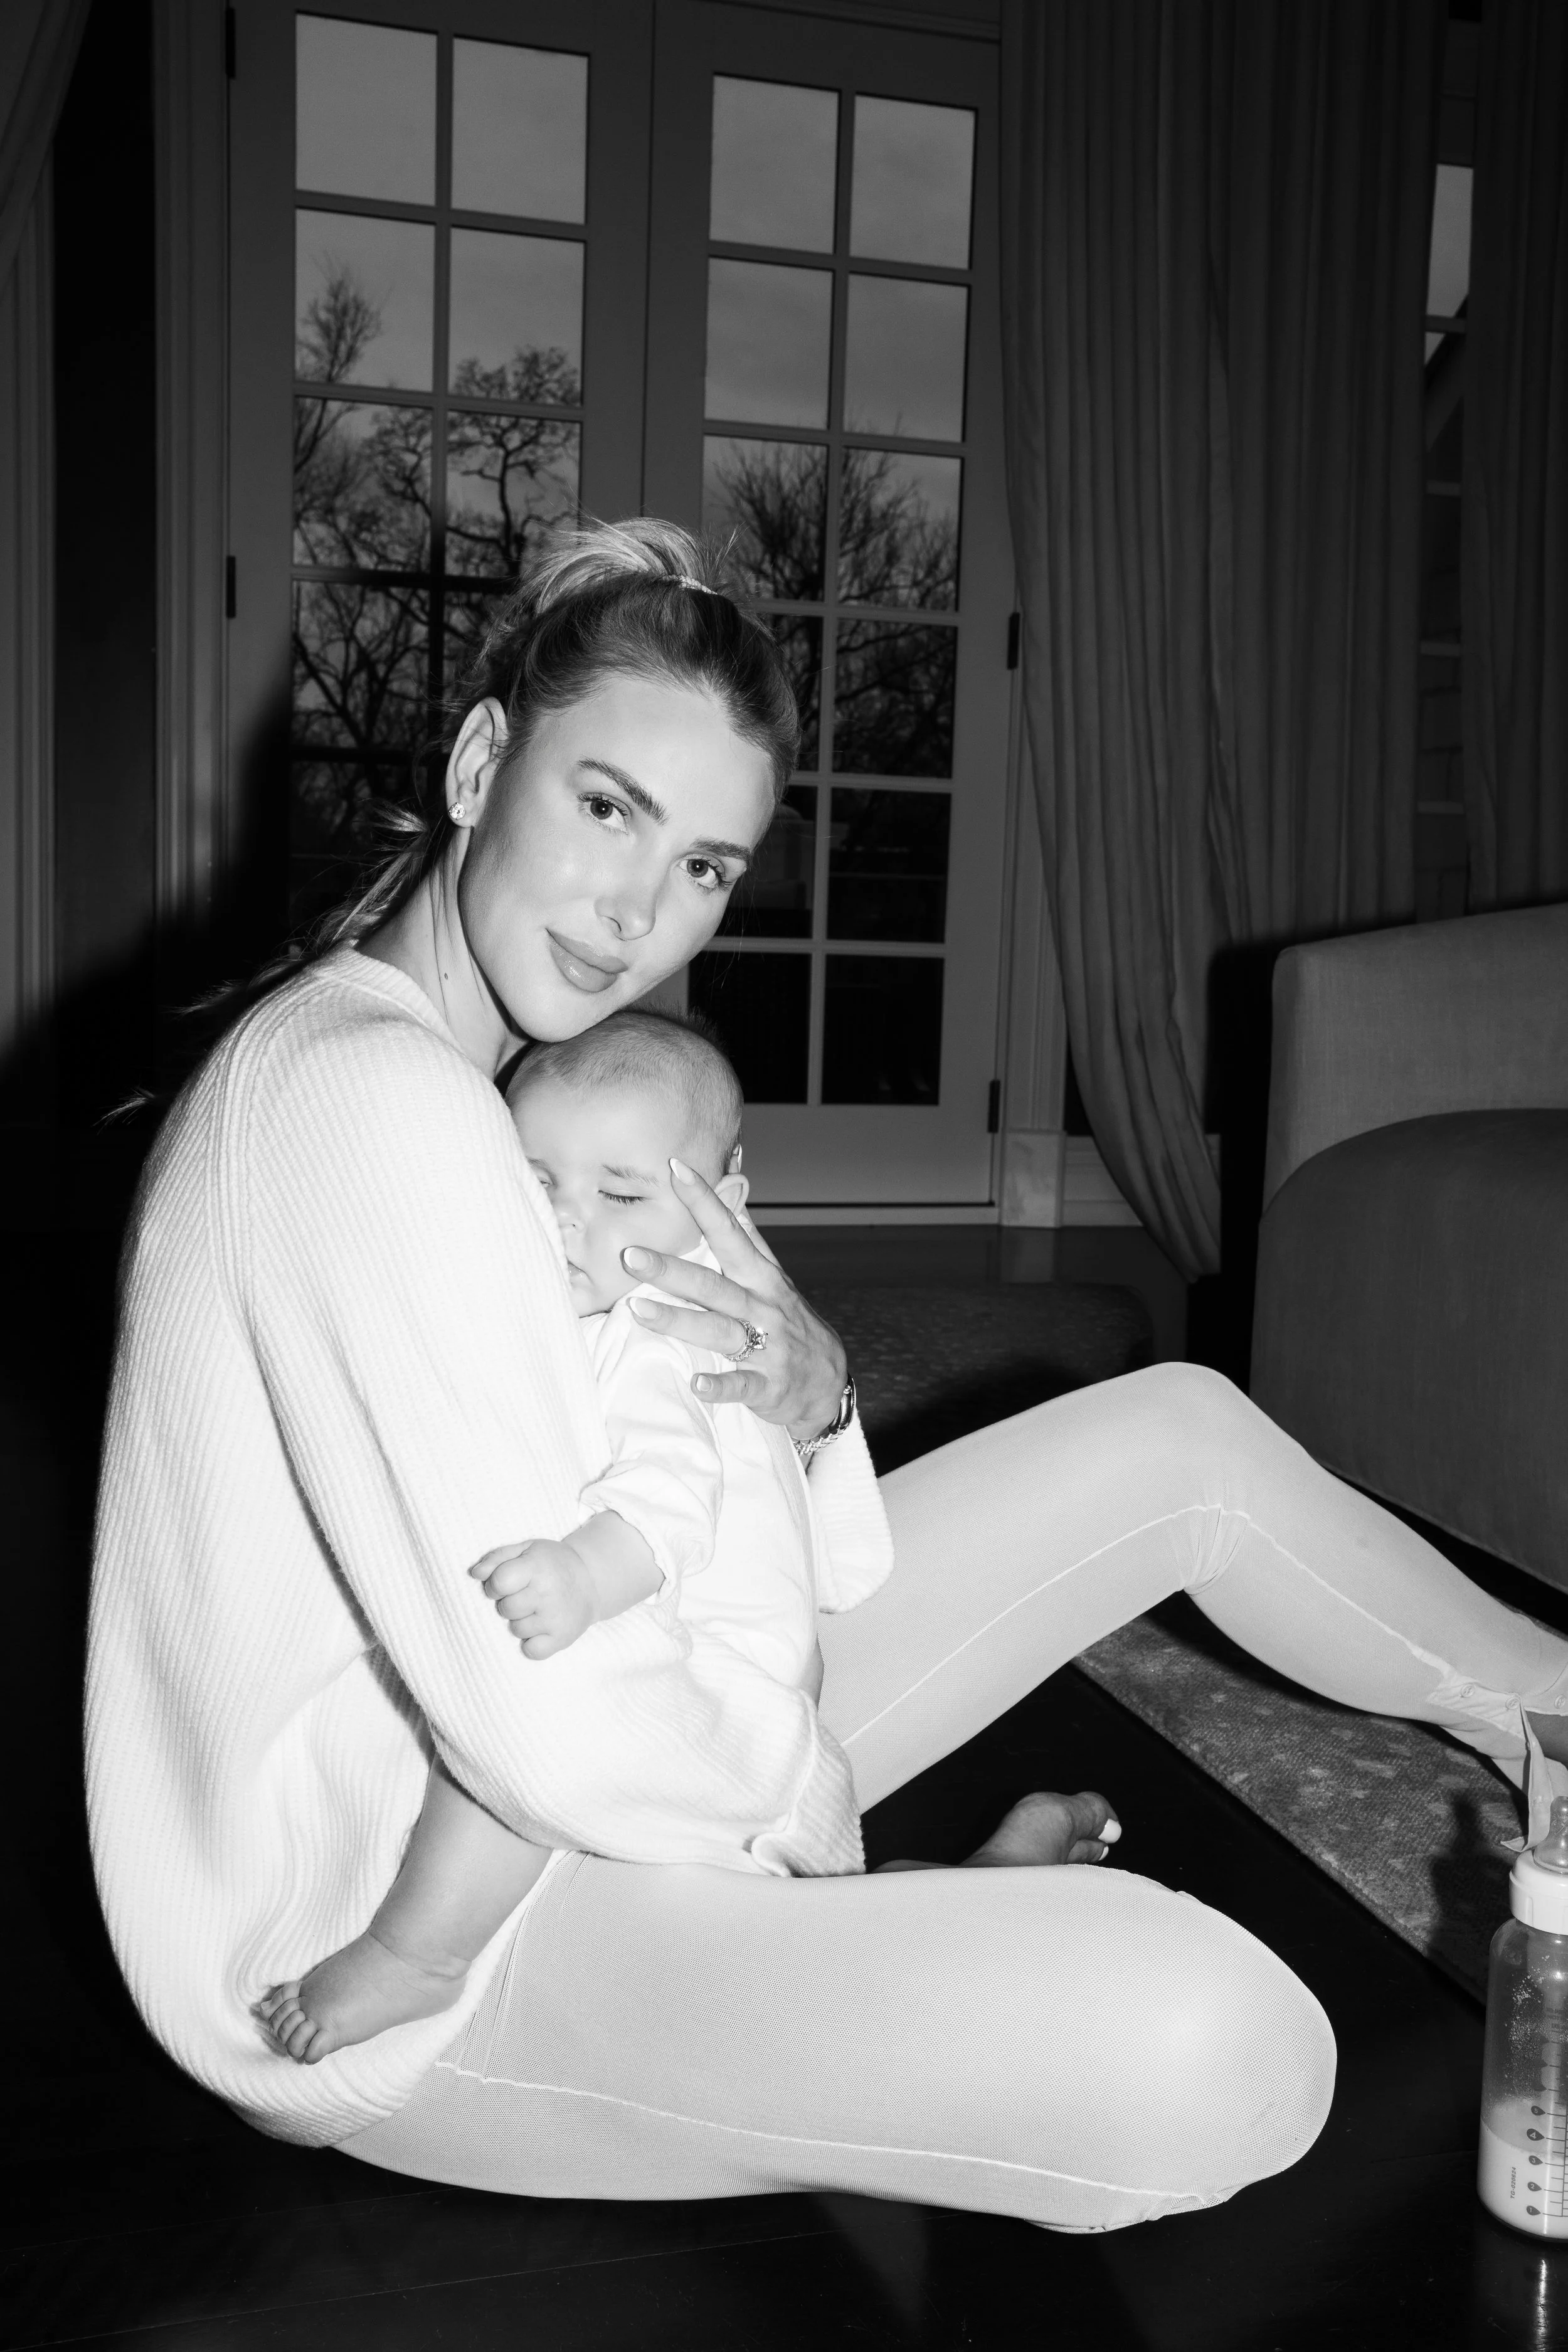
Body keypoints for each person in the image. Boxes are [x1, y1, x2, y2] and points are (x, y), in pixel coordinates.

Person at [88, 519, 1568, 2232]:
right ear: (484, 758)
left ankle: (1552, 1709)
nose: (642, 912)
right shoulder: (373, 1102)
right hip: (409, 1946)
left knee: (1180, 1431)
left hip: (616, 1751)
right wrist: (807, 1789)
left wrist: (816, 1405)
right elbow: (544, 1723)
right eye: (606, 807)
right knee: (1218, 2045)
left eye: (709, 864)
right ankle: (890, 1916)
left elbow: (805, 1556)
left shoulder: (541, 1099)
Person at [260, 1010, 1090, 2064]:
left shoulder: (657, 1333)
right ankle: (1014, 1868)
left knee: (512, 1719)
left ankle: (420, 1950)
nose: (567, 1221)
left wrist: (582, 1569)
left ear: (717, 1206)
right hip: (723, 1706)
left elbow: (670, 1492)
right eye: (536, 1181)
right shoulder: (569, 1301)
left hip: (722, 1709)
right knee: (834, 1977)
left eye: (618, 1194)